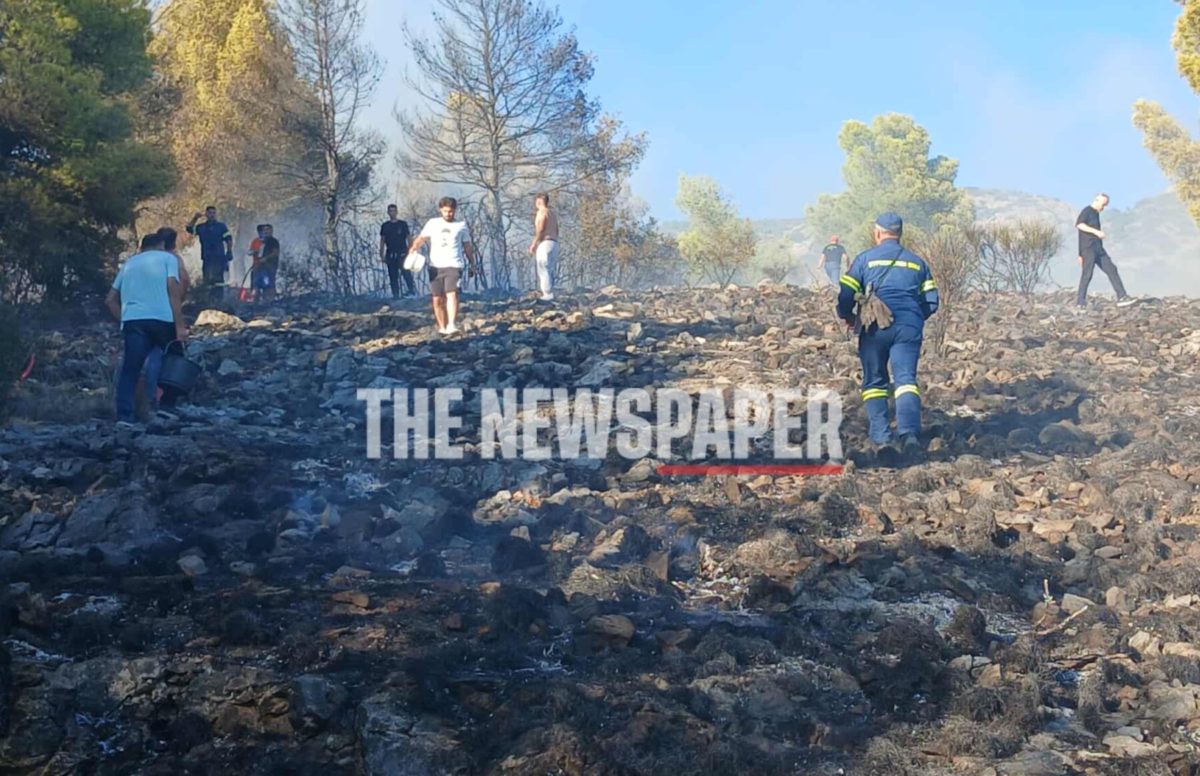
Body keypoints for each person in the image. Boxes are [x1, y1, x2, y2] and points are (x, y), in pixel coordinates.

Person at [837, 212, 939, 452]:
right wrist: (913, 319)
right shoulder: (917, 263)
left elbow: (845, 295)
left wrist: (849, 316)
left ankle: (882, 439)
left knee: (874, 382)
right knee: (905, 381)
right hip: (908, 327)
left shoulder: (864, 260)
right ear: (900, 233)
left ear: (877, 233)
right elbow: (932, 302)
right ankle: (910, 435)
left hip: (874, 327)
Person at [106, 233, 187, 427]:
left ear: (142, 247)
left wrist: (125, 320)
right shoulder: (169, 258)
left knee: (130, 369)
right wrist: (180, 326)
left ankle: (125, 416)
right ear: (161, 245)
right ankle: (166, 407)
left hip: (134, 321)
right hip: (162, 319)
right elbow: (173, 293)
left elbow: (109, 300)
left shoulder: (129, 264)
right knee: (174, 361)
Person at [408, 197, 477, 335]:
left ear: (455, 211)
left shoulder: (461, 225)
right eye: (445, 211)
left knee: (452, 294)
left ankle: (451, 324)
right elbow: (422, 238)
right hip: (435, 266)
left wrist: (472, 263)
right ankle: (442, 327)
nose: (448, 214)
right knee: (437, 298)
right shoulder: (433, 224)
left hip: (454, 264)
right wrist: (413, 248)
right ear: (441, 210)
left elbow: (467, 246)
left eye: (451, 212)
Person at [143, 228, 190, 418]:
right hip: (166, 314)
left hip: (140, 315)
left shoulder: (141, 261)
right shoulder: (173, 260)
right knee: (170, 355)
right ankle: (164, 400)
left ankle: (144, 399)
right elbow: (183, 282)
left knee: (145, 357)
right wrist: (179, 306)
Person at [1075, 193, 1138, 309]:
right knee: (1087, 274)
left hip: (1098, 249)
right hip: (1088, 249)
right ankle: (1080, 301)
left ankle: (1122, 296)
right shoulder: (1087, 210)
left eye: (1105, 205)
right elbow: (1080, 225)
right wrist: (1096, 232)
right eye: (1103, 204)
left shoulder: (1096, 214)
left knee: (1112, 269)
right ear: (1097, 201)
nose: (1103, 208)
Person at [186, 206, 233, 303]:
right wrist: (195, 218)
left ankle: (219, 300)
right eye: (210, 213)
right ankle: (207, 300)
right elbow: (189, 229)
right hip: (207, 257)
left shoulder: (221, 226)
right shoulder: (201, 227)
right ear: (206, 214)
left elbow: (228, 239)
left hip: (219, 257)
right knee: (207, 279)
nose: (212, 215)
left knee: (218, 280)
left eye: (213, 213)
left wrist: (229, 251)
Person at [528, 192, 559, 301]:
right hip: (554, 243)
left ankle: (547, 293)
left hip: (545, 243)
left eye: (536, 201)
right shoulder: (552, 214)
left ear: (540, 201)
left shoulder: (541, 212)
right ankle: (550, 292)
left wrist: (534, 243)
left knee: (542, 268)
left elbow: (540, 229)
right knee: (549, 268)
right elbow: (557, 230)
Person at [380, 205, 414, 299]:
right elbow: (382, 240)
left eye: (394, 211)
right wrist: (381, 254)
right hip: (390, 254)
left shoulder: (402, 224)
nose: (392, 213)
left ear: (397, 212)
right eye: (390, 211)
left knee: (406, 273)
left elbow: (409, 238)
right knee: (393, 276)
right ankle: (396, 295)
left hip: (403, 253)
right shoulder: (385, 226)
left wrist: (411, 250)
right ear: (388, 212)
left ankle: (411, 292)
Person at [256, 224, 280, 303]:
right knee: (262, 282)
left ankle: (271, 299)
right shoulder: (263, 241)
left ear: (271, 231)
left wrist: (266, 258)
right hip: (262, 266)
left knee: (270, 282)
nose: (266, 231)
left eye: (268, 229)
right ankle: (263, 299)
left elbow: (275, 253)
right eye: (264, 230)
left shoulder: (274, 241)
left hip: (271, 265)